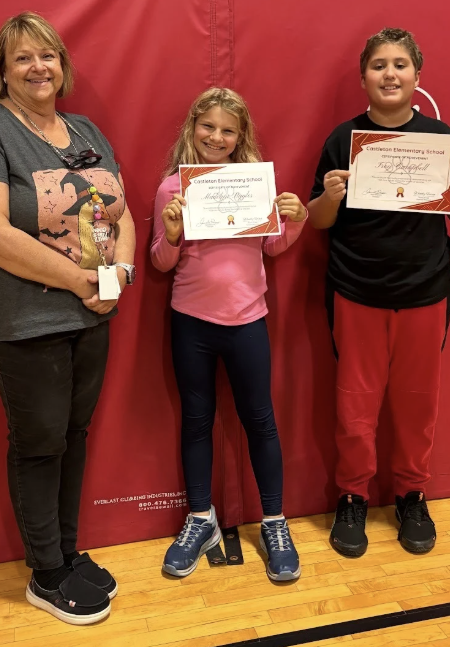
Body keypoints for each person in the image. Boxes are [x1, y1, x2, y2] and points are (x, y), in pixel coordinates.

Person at [0, 11, 136, 626]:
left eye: (47, 55)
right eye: (22, 57)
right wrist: (83, 280)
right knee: (41, 442)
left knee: (73, 437)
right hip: (23, 319)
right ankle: (46, 573)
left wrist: (120, 275)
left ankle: (70, 554)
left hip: (92, 314)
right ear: (3, 69)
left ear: (63, 64)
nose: (37, 67)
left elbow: (122, 214)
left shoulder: (85, 129)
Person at [307, 28, 450, 558]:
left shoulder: (439, 139)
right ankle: (353, 495)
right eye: (379, 65)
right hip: (356, 291)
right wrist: (331, 195)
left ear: (416, 76)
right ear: (364, 76)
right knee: (354, 404)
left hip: (426, 293)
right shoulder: (343, 140)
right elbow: (317, 221)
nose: (390, 74)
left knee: (417, 402)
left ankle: (411, 492)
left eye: (401, 65)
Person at [150, 88, 307, 583]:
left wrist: (296, 219)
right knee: (196, 419)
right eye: (208, 127)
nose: (216, 137)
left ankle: (275, 522)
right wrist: (172, 232)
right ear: (192, 127)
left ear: (241, 137)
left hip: (247, 320)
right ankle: (201, 518)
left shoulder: (256, 183)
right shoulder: (172, 188)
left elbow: (276, 247)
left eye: (228, 130)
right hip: (191, 321)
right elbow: (159, 260)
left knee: (260, 420)